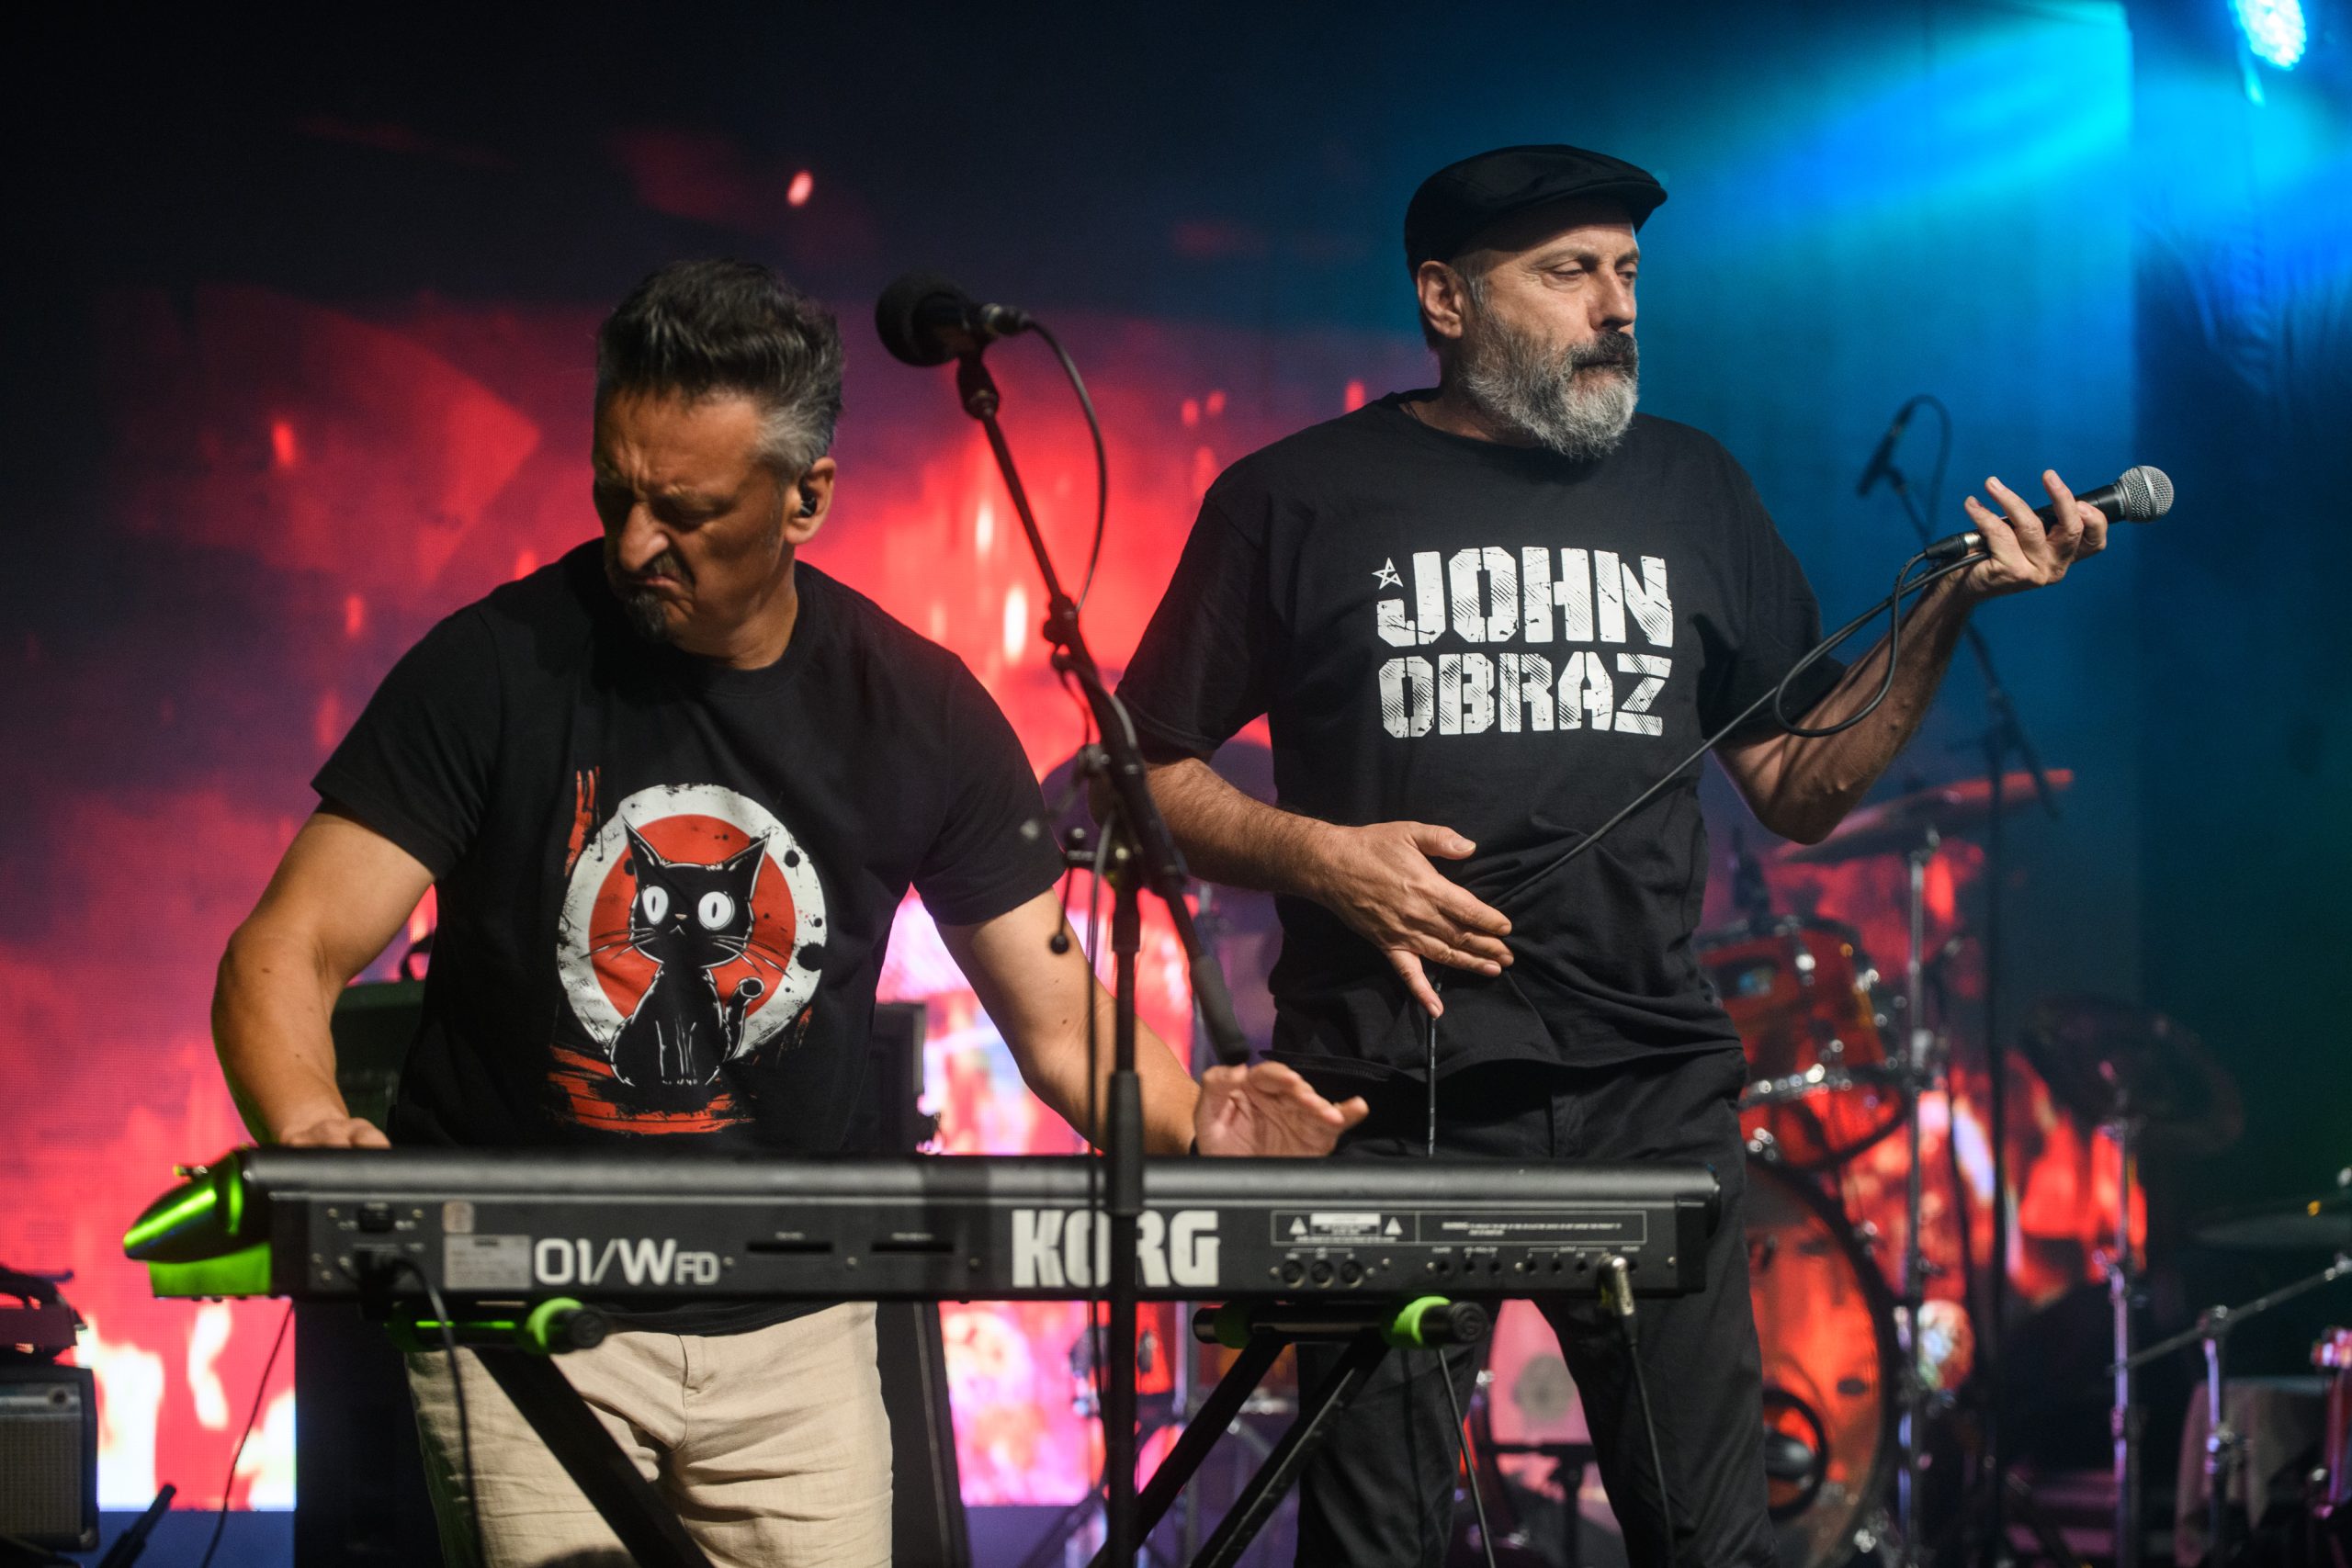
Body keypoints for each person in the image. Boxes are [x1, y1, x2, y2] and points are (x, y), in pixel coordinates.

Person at [209, 257, 1368, 1568]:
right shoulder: (494, 669)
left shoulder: (915, 710)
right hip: (523, 1313)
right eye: (613, 494)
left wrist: (1198, 1123)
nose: (634, 543)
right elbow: (286, 946)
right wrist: (312, 1133)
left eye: (687, 511)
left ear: (806, 498)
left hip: (800, 1333)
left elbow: (1059, 1023)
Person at [1115, 144, 2109, 1566]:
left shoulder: (1693, 486)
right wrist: (1323, 858)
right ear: (1446, 300)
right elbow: (1141, 772)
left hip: (1649, 1091)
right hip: (1388, 1095)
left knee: (1712, 1546)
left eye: (1629, 272)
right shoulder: (1297, 499)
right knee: (1376, 1551)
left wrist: (1949, 610)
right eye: (1569, 272)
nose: (1617, 306)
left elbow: (1799, 786)